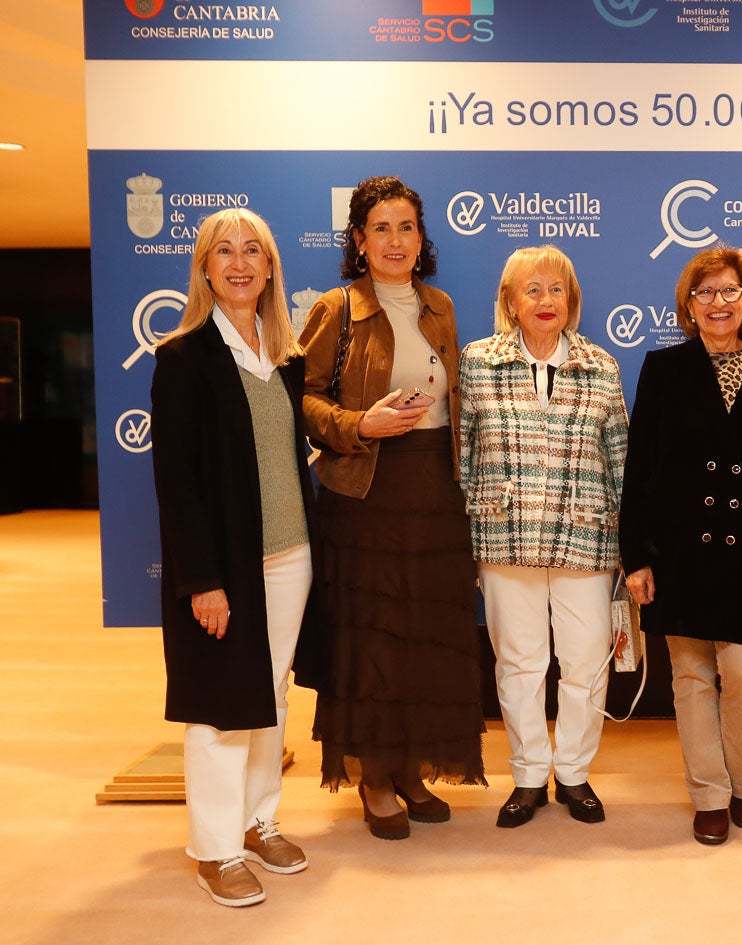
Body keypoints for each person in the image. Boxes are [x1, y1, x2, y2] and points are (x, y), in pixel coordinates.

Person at [300, 176, 484, 840]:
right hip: (365, 494)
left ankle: (410, 768)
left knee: (423, 639)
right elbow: (303, 398)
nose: (395, 240)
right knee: (373, 638)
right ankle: (374, 776)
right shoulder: (337, 308)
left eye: (406, 227)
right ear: (358, 240)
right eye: (381, 227)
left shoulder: (440, 305)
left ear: (421, 237)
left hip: (435, 491)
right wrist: (359, 425)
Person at [620, 245, 742, 845]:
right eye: (704, 292)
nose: (718, 302)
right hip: (678, 549)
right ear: (688, 305)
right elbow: (639, 467)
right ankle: (708, 793)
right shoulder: (663, 368)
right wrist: (637, 556)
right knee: (690, 677)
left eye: (730, 290)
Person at [150, 208, 317, 907]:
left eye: (253, 250)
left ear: (271, 267)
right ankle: (216, 849)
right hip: (225, 566)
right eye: (225, 251)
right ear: (205, 268)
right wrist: (203, 580)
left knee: (269, 693)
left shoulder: (286, 356)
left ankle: (256, 820)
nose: (240, 262)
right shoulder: (183, 358)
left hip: (291, 556)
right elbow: (177, 482)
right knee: (220, 704)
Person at [458, 245, 628, 828]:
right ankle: (529, 775)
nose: (545, 300)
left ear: (571, 299)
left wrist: (631, 547)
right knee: (519, 664)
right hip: (504, 535)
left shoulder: (601, 366)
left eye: (556, 289)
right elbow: (463, 455)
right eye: (532, 289)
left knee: (586, 663)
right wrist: (465, 536)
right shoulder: (477, 362)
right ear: (510, 302)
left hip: (586, 537)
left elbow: (620, 460)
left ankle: (574, 773)